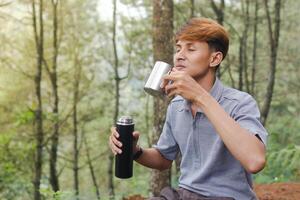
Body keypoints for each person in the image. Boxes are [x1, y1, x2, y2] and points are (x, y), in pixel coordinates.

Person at [109, 18, 267, 200]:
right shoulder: (176, 106)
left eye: (191, 49)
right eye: (178, 49)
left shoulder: (240, 102)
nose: (179, 56)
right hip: (184, 194)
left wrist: (200, 97)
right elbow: (163, 159)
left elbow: (255, 161)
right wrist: (134, 150)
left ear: (215, 58)